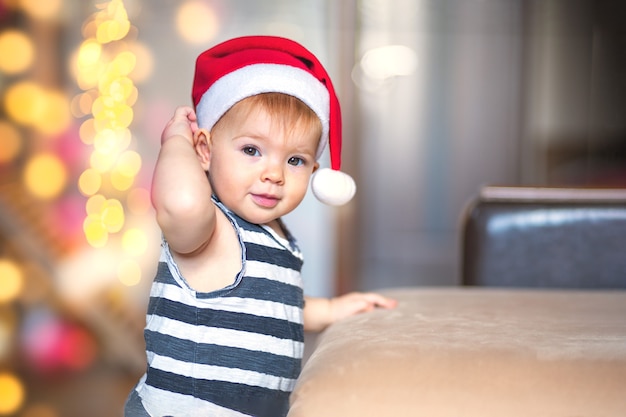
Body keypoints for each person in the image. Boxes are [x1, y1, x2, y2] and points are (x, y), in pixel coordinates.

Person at [124, 35, 396, 417]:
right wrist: (176, 143)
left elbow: (280, 308)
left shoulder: (276, 236)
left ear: (315, 172)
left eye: (295, 160)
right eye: (252, 150)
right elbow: (179, 205)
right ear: (205, 150)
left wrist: (333, 309)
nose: (273, 174)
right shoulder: (210, 228)